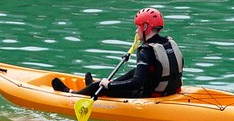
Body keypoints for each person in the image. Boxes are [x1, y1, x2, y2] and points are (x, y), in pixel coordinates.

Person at [52, 7, 184, 98]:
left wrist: (110, 85)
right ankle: (96, 85)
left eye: (138, 27)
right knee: (135, 71)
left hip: (149, 96)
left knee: (102, 85)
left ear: (145, 27)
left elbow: (136, 83)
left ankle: (72, 93)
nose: (136, 31)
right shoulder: (169, 42)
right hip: (170, 91)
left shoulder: (146, 50)